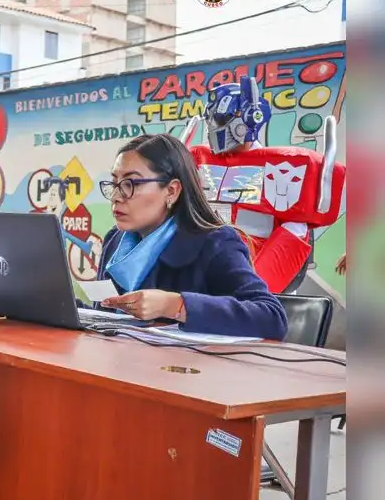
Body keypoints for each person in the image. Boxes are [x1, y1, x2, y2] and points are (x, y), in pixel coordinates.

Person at [95, 133, 287, 341]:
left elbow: (271, 318)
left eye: (130, 183)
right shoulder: (115, 240)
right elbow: (106, 316)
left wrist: (175, 305)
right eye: (115, 183)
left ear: (171, 191)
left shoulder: (215, 242)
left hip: (190, 370)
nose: (115, 197)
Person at [189, 76, 345, 294]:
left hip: (260, 284)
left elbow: (295, 231)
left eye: (222, 120)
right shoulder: (201, 160)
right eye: (211, 121)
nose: (213, 128)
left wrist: (255, 293)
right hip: (210, 272)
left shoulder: (282, 168)